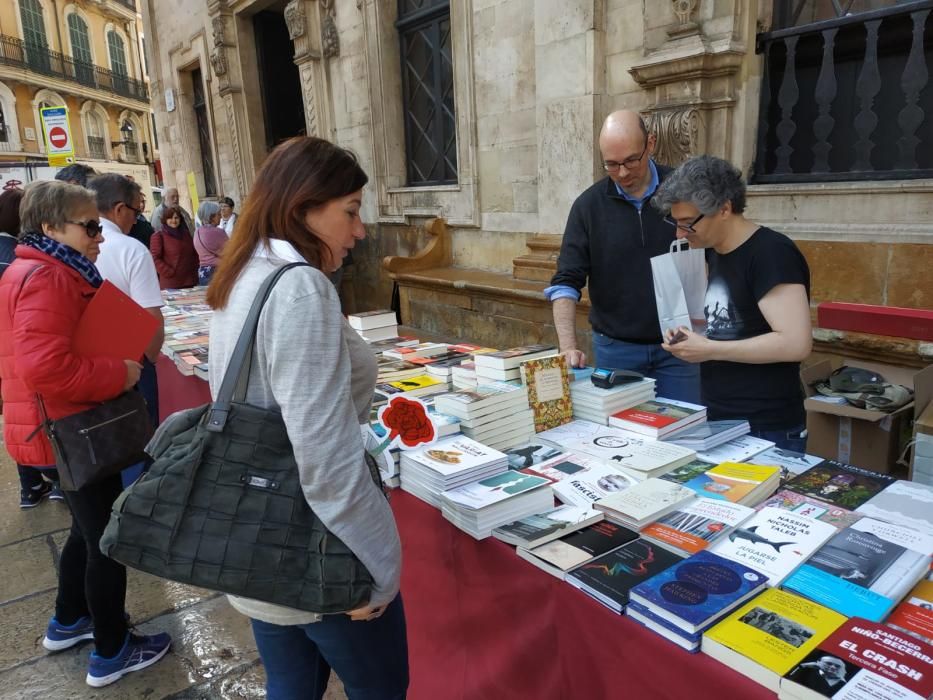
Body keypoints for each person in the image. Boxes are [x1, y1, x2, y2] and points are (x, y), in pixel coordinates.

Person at [206, 136, 408, 700]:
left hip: (260, 536)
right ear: (303, 209)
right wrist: (380, 567)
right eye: (350, 211)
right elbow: (324, 455)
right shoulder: (299, 289)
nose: (360, 230)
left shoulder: (247, 270)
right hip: (316, 551)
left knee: (292, 685)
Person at [0, 180, 171, 686]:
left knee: (84, 528)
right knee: (105, 540)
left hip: (58, 427)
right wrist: (119, 372)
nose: (101, 235)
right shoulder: (47, 278)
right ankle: (112, 650)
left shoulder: (42, 268)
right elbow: (46, 368)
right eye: (90, 226)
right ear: (51, 227)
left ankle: (68, 620)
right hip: (68, 428)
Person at [653, 155, 812, 451]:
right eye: (675, 223)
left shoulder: (772, 254)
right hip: (719, 414)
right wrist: (691, 337)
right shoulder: (711, 251)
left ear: (724, 208)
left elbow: (795, 343)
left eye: (688, 224)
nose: (679, 234)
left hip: (766, 425)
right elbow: (725, 325)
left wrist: (710, 349)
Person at [546, 110, 700, 403]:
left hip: (681, 345)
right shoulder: (588, 206)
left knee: (685, 432)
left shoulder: (683, 191)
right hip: (616, 348)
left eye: (631, 160)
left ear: (650, 144)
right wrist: (567, 346)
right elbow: (566, 281)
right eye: (612, 165)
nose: (624, 173)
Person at [0, 186, 66, 507]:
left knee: (18, 414)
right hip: (20, 346)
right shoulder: (25, 263)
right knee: (32, 411)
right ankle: (54, 482)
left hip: (8, 348)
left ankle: (30, 487)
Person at [89, 174, 164, 430]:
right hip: (130, 363)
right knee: (139, 443)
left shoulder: (67, 247)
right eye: (136, 210)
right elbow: (151, 317)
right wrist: (148, 360)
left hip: (90, 366)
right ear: (120, 209)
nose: (137, 218)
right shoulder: (131, 249)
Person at [150, 206, 198, 289]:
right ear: (165, 220)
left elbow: (193, 253)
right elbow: (155, 258)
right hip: (171, 283)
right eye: (170, 218)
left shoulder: (186, 234)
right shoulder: (159, 236)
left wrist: (195, 269)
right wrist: (169, 272)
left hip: (189, 281)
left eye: (176, 218)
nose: (174, 220)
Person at [193, 200, 228, 285]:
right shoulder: (218, 232)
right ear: (212, 217)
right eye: (218, 214)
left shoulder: (197, 232)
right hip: (217, 271)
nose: (221, 217)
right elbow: (229, 252)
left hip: (203, 272)